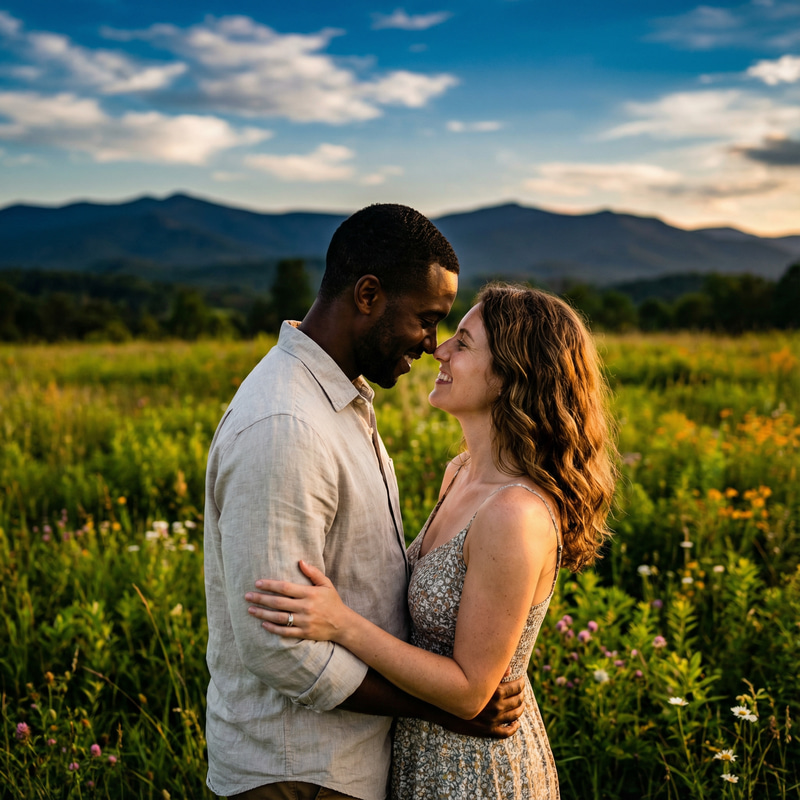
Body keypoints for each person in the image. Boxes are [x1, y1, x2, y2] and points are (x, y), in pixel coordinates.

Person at [245, 284, 618, 799]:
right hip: (421, 753)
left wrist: (341, 623)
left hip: (476, 768)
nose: (438, 350)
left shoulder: (513, 513)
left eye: (463, 343)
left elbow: (470, 692)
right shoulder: (460, 473)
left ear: (512, 375)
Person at [204, 205, 524, 800]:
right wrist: (445, 708)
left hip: (340, 765)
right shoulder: (285, 424)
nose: (432, 344)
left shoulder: (340, 400)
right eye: (426, 320)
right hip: (299, 771)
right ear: (369, 295)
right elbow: (279, 650)